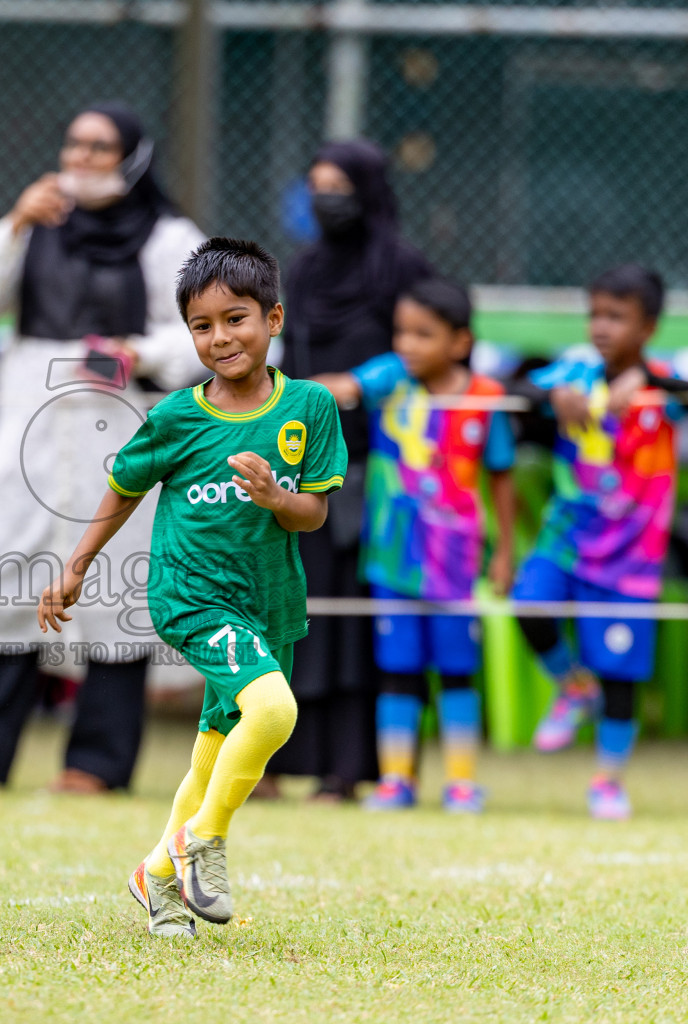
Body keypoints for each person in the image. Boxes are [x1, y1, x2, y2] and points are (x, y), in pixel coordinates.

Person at [39, 238, 346, 936]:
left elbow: (315, 511)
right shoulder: (178, 416)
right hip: (192, 596)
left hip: (269, 600)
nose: (219, 337)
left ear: (273, 318)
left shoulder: (310, 407)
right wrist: (77, 565)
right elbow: (122, 488)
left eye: (234, 319)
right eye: (201, 327)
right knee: (273, 712)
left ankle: (156, 878)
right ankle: (199, 842)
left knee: (216, 744)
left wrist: (274, 497)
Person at [0, 103, 207, 794]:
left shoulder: (168, 238)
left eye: (100, 147)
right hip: (31, 432)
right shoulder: (38, 222)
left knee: (114, 592)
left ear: (132, 158)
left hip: (120, 431)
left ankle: (95, 766)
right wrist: (15, 223)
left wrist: (141, 352)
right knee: (0, 581)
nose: (82, 158)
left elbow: (208, 331)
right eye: (74, 143)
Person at [267, 140, 435, 801]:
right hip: (302, 463)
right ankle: (276, 762)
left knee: (359, 624)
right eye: (315, 185)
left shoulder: (403, 269)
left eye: (339, 185)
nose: (324, 198)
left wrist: (360, 385)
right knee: (292, 613)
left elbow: (428, 349)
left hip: (379, 474)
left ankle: (349, 769)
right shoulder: (303, 272)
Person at [316, 279, 516, 814]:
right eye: (402, 331)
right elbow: (343, 388)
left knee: (456, 671)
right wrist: (280, 393)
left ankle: (460, 783)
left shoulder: (487, 399)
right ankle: (396, 781)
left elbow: (500, 476)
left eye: (423, 334)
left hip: (457, 565)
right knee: (398, 670)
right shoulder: (388, 378)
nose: (407, 344)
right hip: (392, 559)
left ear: (460, 342)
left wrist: (505, 551)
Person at [508, 264, 688, 820]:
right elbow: (515, 387)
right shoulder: (574, 369)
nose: (602, 327)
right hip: (565, 537)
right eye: (595, 314)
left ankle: (608, 782)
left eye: (617, 317)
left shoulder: (663, 383)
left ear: (649, 327)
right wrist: (553, 391)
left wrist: (648, 383)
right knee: (529, 605)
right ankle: (572, 685)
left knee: (622, 674)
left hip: (632, 556)